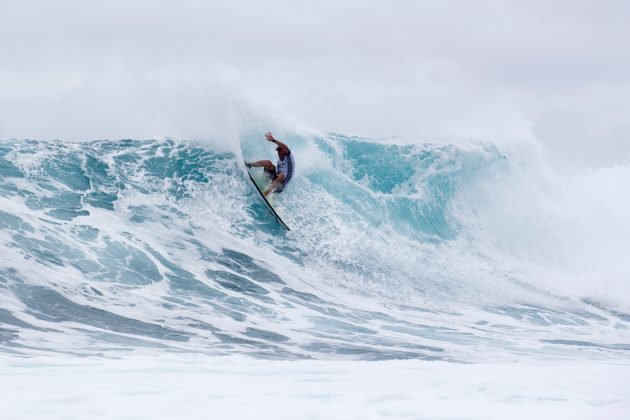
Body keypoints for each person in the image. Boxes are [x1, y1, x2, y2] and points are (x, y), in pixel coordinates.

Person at [245, 132, 295, 196]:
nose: (281, 156)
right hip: (274, 181)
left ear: (285, 153)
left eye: (282, 154)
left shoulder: (289, 158)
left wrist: (273, 140)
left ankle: (267, 192)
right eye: (279, 154)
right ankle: (249, 165)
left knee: (282, 175)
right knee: (268, 163)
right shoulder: (279, 161)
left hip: (280, 186)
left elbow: (285, 147)